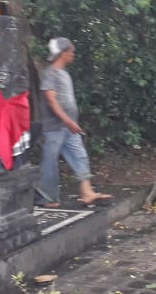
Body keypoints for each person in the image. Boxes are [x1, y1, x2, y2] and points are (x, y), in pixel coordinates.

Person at [35, 37, 113, 208]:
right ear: (63, 53)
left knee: (80, 155)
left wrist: (70, 122)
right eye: (71, 51)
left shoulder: (64, 74)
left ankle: (87, 192)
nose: (73, 54)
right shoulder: (50, 73)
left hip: (69, 126)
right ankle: (47, 198)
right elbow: (51, 100)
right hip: (54, 127)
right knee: (49, 161)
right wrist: (67, 120)